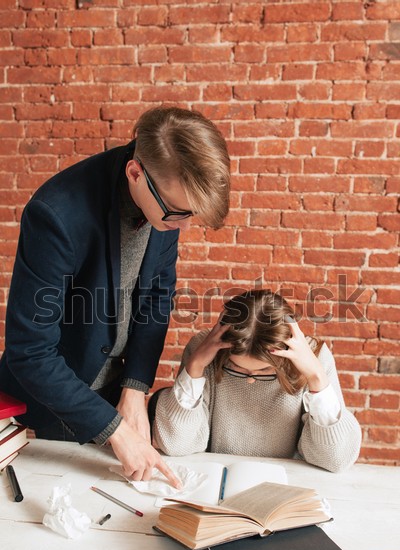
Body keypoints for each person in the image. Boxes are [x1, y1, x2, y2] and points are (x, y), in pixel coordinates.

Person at [0, 106, 230, 484]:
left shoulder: (165, 198)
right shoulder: (55, 213)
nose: (183, 227)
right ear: (135, 173)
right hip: (47, 410)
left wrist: (136, 388)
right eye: (177, 215)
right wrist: (116, 430)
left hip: (115, 395)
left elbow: (157, 295)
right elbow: (30, 351)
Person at [152, 289, 362, 473]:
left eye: (265, 371)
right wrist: (195, 366)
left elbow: (336, 460)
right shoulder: (206, 348)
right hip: (215, 477)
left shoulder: (313, 358)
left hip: (287, 483)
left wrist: (317, 378)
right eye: (237, 368)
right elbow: (175, 443)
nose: (250, 380)